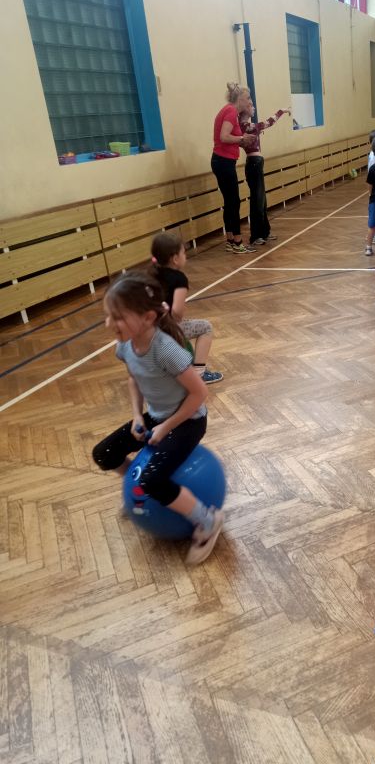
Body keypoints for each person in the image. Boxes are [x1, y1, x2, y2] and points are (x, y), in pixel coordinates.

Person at [92, 271, 224, 565]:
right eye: (107, 316)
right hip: (155, 417)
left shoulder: (166, 350)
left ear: (148, 317)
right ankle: (137, 487)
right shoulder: (125, 344)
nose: (109, 324)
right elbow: (133, 379)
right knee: (104, 453)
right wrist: (137, 416)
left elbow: (199, 393)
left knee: (153, 480)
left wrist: (166, 426)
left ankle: (207, 520)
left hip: (188, 421)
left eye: (118, 317)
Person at [150, 231, 223, 384]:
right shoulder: (179, 278)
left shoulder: (150, 273)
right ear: (175, 259)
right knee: (205, 327)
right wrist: (180, 310)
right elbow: (176, 312)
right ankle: (200, 373)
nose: (186, 256)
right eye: (183, 252)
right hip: (167, 328)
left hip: (148, 328)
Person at [211, 82, 257, 254]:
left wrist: (242, 140)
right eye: (247, 98)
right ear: (240, 99)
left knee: (229, 202)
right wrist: (242, 139)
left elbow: (227, 138)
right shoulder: (231, 111)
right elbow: (224, 137)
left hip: (222, 161)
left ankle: (230, 240)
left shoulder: (229, 111)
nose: (249, 101)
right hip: (223, 162)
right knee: (234, 202)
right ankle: (238, 242)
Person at [239, 100, 290, 245]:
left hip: (257, 164)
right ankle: (255, 236)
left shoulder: (247, 126)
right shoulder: (246, 126)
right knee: (257, 201)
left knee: (262, 201)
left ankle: (265, 232)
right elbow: (268, 123)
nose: (254, 108)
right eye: (251, 105)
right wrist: (281, 111)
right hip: (253, 164)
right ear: (245, 109)